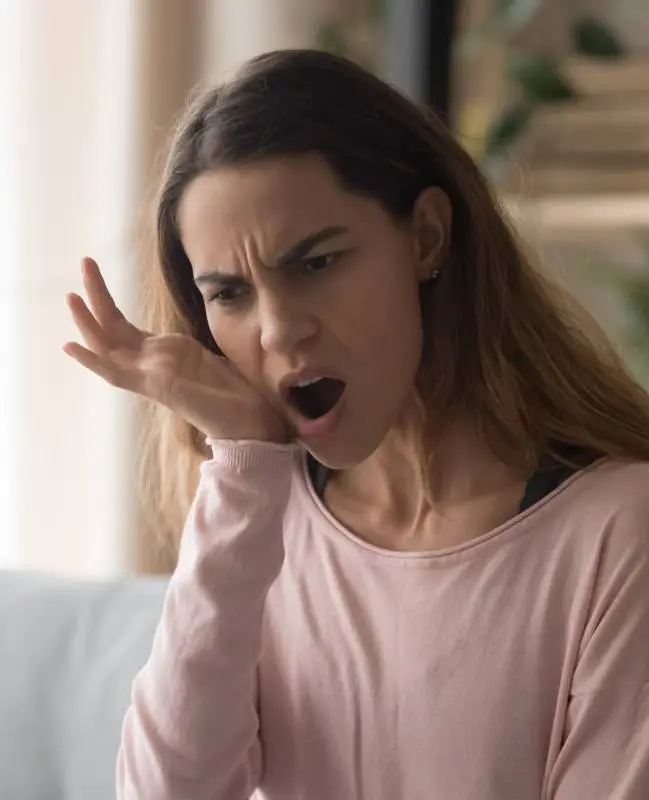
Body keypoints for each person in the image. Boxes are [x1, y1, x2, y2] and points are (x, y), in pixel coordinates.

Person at [64, 49, 649, 800]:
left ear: (426, 237)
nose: (279, 330)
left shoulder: (618, 533)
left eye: (316, 264)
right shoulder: (260, 524)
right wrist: (242, 472)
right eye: (231, 294)